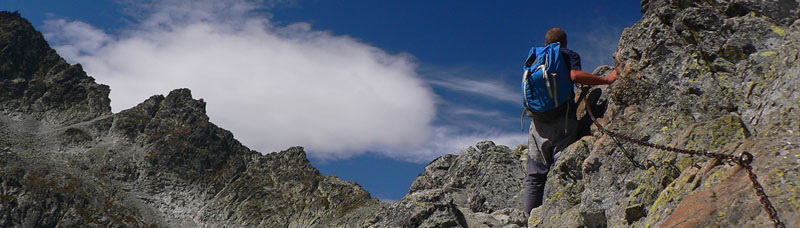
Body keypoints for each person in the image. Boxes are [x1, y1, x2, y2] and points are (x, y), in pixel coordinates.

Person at [524, 28, 618, 215]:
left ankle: (529, 218)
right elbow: (575, 76)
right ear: (564, 42)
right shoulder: (566, 54)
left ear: (546, 43)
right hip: (562, 120)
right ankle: (558, 217)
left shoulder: (535, 58)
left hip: (537, 121)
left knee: (535, 174)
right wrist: (606, 80)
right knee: (561, 167)